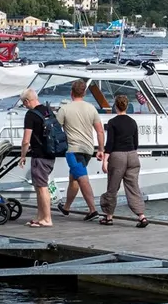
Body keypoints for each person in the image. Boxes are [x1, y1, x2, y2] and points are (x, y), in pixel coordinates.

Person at [56, 79, 106, 221]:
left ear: (71, 92)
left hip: (73, 149)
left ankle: (92, 210)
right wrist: (101, 149)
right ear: (84, 93)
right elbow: (100, 131)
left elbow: (55, 129)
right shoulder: (91, 108)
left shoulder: (65, 109)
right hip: (88, 149)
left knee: (82, 178)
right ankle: (66, 207)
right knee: (74, 178)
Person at [99, 94, 147, 227]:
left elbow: (110, 143)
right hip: (132, 155)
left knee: (113, 187)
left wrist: (105, 161)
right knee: (133, 187)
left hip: (117, 156)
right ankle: (142, 216)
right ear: (126, 106)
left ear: (115, 106)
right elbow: (136, 143)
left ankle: (109, 217)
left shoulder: (112, 122)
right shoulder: (133, 122)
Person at [17, 88, 56, 227]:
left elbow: (26, 140)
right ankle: (40, 217)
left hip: (39, 155)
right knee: (39, 186)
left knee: (42, 187)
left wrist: (22, 155)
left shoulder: (30, 115)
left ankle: (47, 219)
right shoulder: (48, 110)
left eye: (24, 103)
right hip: (51, 153)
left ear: (27, 101)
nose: (24, 106)